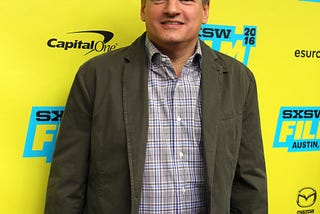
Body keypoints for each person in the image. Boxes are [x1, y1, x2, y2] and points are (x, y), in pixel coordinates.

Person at [45, 0, 268, 213]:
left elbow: (249, 181)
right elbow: (68, 179)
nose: (172, 9)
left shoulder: (238, 79)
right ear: (143, 9)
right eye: (159, 0)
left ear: (205, 11)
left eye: (187, 0)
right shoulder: (96, 76)